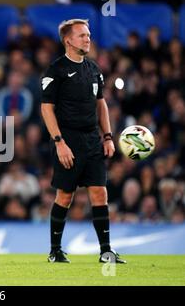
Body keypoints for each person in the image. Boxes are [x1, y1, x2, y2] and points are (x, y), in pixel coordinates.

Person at [40, 19, 126, 264]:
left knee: (100, 193)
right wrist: (59, 142)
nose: (87, 39)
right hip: (68, 139)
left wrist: (107, 136)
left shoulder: (94, 69)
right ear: (68, 40)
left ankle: (106, 251)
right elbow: (47, 109)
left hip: (92, 140)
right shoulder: (56, 71)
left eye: (88, 35)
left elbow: (101, 104)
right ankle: (55, 251)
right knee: (65, 196)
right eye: (81, 35)